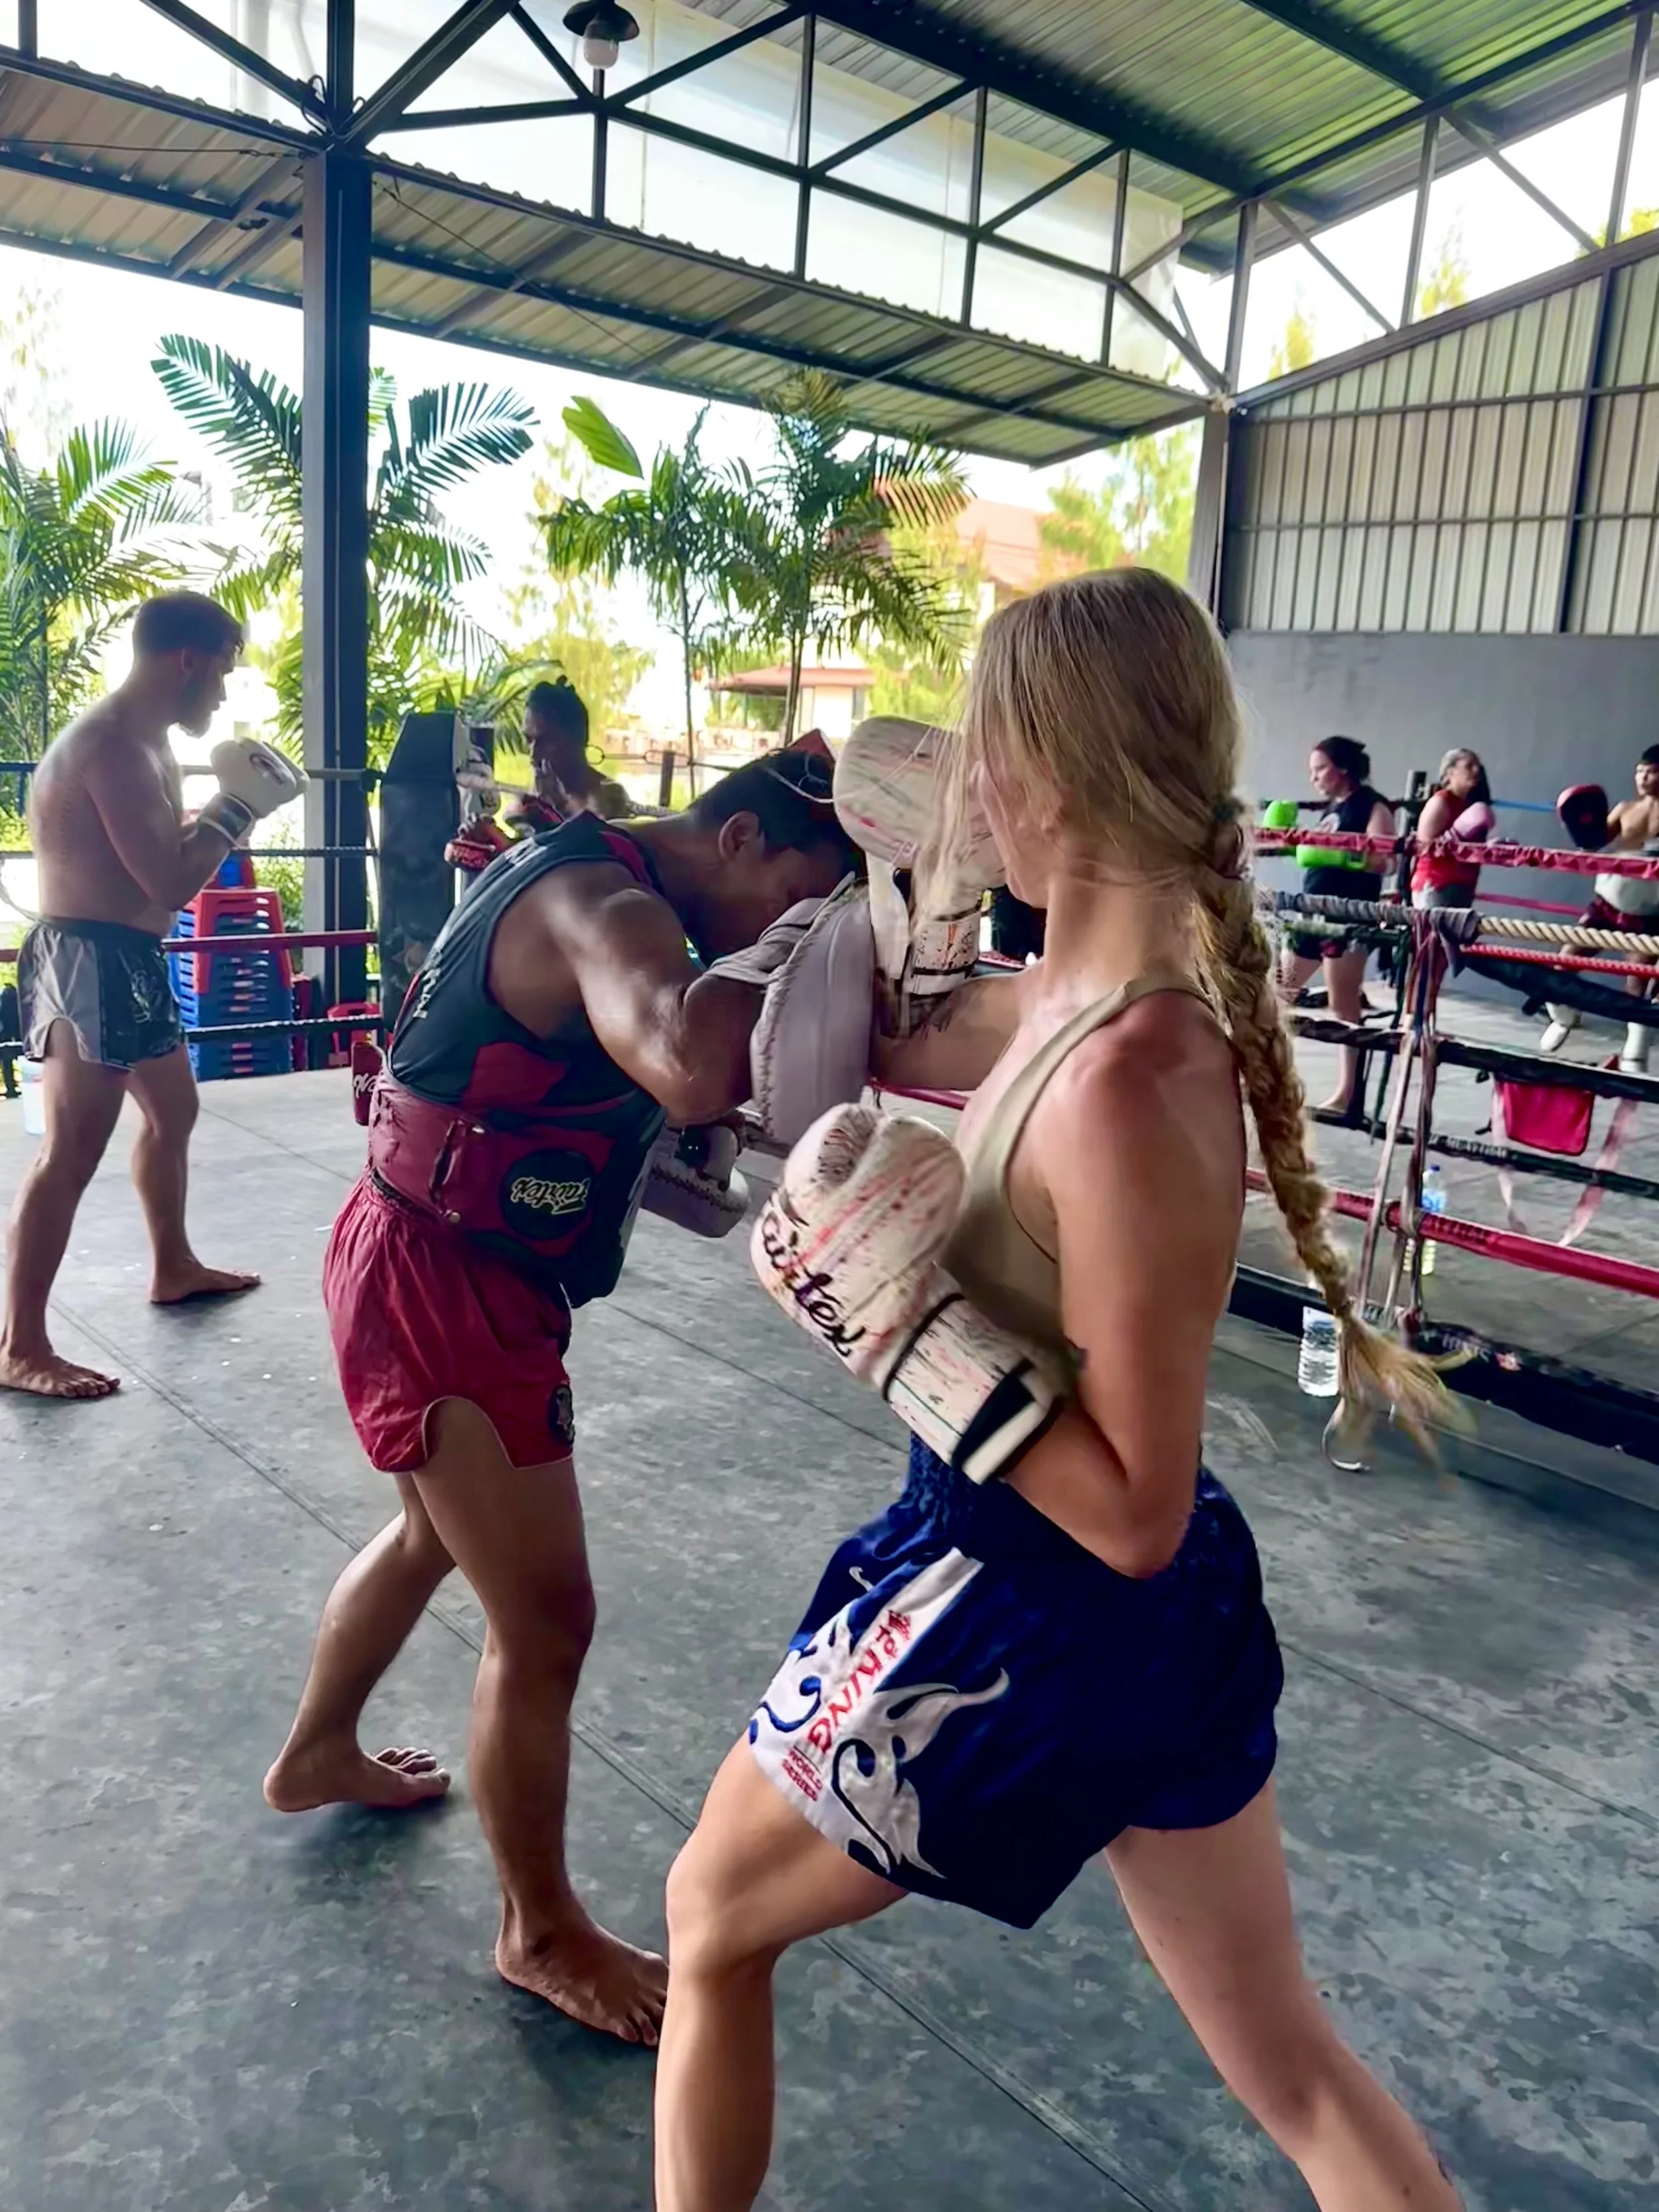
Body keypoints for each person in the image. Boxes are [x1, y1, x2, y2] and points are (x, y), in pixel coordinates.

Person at [653, 570, 1461, 2212]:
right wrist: (902, 895)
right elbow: (846, 1035)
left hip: (1036, 1607)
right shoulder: (1065, 1005)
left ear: (1044, 775)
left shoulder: (1129, 1079)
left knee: (706, 1921)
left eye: (983, 760)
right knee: (1289, 2066)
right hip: (1135, 1633)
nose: (966, 788)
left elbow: (1135, 1512)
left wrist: (900, 1336)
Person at [262, 747, 861, 2048]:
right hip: (445, 1282)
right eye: (796, 900)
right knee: (545, 1624)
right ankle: (537, 1929)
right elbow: (692, 1064)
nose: (788, 930)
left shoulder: (611, 870)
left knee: (436, 1531)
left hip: (444, 1258)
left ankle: (317, 1750)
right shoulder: (617, 907)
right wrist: (812, 955)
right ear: (744, 839)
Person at [0, 591, 299, 1401]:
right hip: (89, 961)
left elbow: (162, 867)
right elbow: (169, 879)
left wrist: (219, 813)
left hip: (130, 957)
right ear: (187, 661)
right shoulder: (111, 750)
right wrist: (236, 809)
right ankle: (19, 1345)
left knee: (173, 1110)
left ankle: (172, 1266)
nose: (225, 693)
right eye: (224, 672)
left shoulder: (148, 744)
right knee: (70, 1151)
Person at [1276, 736, 1395, 1116]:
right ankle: (1265, 1078)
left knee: (1343, 1006)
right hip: (1312, 912)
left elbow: (1386, 861)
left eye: (1320, 769)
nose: (1314, 779)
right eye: (1311, 772)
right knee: (1278, 993)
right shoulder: (1332, 806)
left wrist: (1343, 853)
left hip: (1348, 917)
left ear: (1342, 768)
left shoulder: (1372, 805)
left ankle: (1347, 1096)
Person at [1541, 743, 1659, 1070]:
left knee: (1638, 985)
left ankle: (1636, 1052)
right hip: (1607, 904)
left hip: (1649, 913)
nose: (1643, 777)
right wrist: (1578, 821)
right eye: (1640, 770)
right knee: (1565, 961)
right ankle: (1565, 1018)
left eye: (1651, 771)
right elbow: (1592, 842)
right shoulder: (1624, 809)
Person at [524, 676, 638, 822]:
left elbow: (598, 838)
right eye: (529, 740)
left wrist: (561, 806)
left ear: (578, 739)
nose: (533, 754)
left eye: (546, 741)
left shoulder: (608, 796)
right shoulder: (542, 789)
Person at [1410, 749, 1492, 913]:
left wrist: (1490, 848)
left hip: (1462, 884)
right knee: (1433, 937)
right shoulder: (1441, 802)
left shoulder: (1467, 805)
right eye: (1469, 766)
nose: (1476, 771)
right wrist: (1455, 835)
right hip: (1437, 883)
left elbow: (1467, 848)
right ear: (1450, 772)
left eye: (1478, 766)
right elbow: (1424, 846)